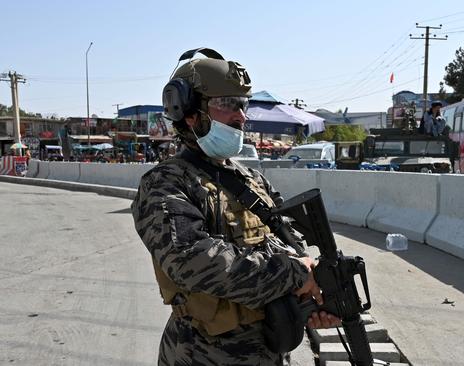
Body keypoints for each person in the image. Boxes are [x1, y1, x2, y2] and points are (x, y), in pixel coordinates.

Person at [131, 48, 338, 366]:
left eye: (242, 104)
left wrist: (313, 295)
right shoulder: (165, 183)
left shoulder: (251, 179)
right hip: (203, 355)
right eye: (226, 104)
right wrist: (294, 275)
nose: (241, 116)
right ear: (188, 111)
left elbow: (277, 246)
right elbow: (190, 260)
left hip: (269, 347)